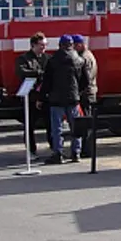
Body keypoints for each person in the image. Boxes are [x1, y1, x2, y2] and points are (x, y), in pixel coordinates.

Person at [41, 35, 89, 164]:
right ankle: (76, 153)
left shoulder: (52, 60)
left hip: (56, 99)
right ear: (72, 45)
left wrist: (42, 97)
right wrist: (77, 92)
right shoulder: (80, 60)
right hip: (73, 98)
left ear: (60, 45)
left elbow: (47, 82)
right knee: (75, 127)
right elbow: (86, 81)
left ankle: (58, 153)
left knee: (57, 128)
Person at [15, 33, 48, 153]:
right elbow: (21, 71)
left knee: (50, 124)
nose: (44, 47)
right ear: (33, 45)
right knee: (29, 126)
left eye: (45, 45)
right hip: (31, 97)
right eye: (41, 45)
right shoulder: (24, 58)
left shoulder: (47, 58)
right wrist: (39, 73)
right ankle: (31, 151)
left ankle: (54, 148)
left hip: (45, 96)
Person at [72, 33, 98, 158]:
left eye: (75, 46)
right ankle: (86, 148)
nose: (73, 48)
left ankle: (87, 149)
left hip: (87, 93)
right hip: (90, 92)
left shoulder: (84, 58)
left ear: (80, 44)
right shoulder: (88, 55)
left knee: (87, 122)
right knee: (87, 121)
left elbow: (85, 77)